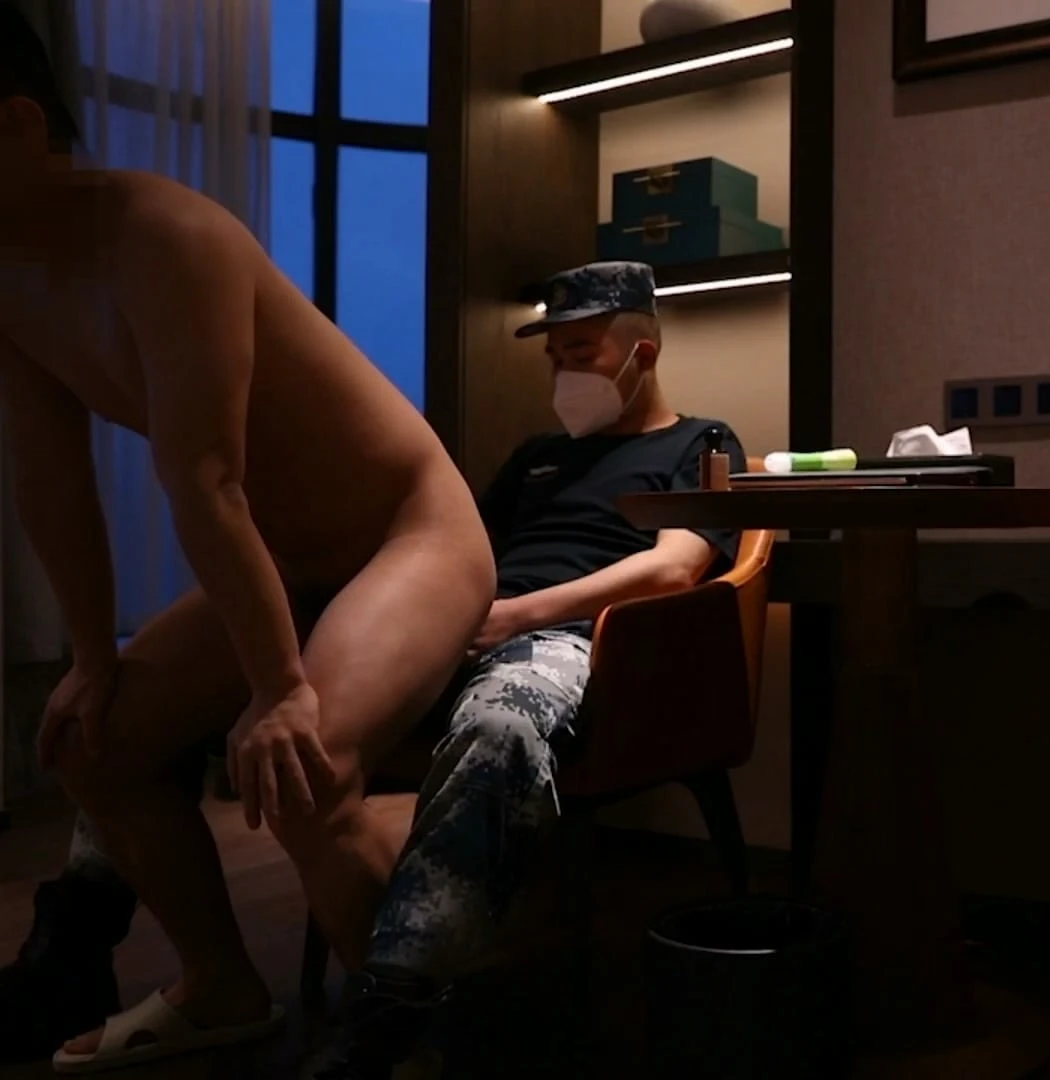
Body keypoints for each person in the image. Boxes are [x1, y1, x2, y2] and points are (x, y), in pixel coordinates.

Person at [1, 258, 748, 1077]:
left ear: (643, 353)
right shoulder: (538, 457)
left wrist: (513, 615)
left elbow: (675, 567)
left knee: (500, 722)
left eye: (581, 353)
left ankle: (398, 1003)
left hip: (566, 635)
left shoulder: (700, 442)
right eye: (553, 356)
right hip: (459, 619)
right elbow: (456, 547)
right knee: (173, 708)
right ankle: (76, 938)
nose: (563, 373)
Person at [1, 9, 497, 1072]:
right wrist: (90, 657)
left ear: (16, 127)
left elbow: (205, 478)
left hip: (408, 532)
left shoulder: (166, 237)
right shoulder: (10, 278)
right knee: (92, 745)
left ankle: (402, 1038)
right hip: (292, 559)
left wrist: (280, 689)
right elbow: (51, 476)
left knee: (302, 768)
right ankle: (221, 987)